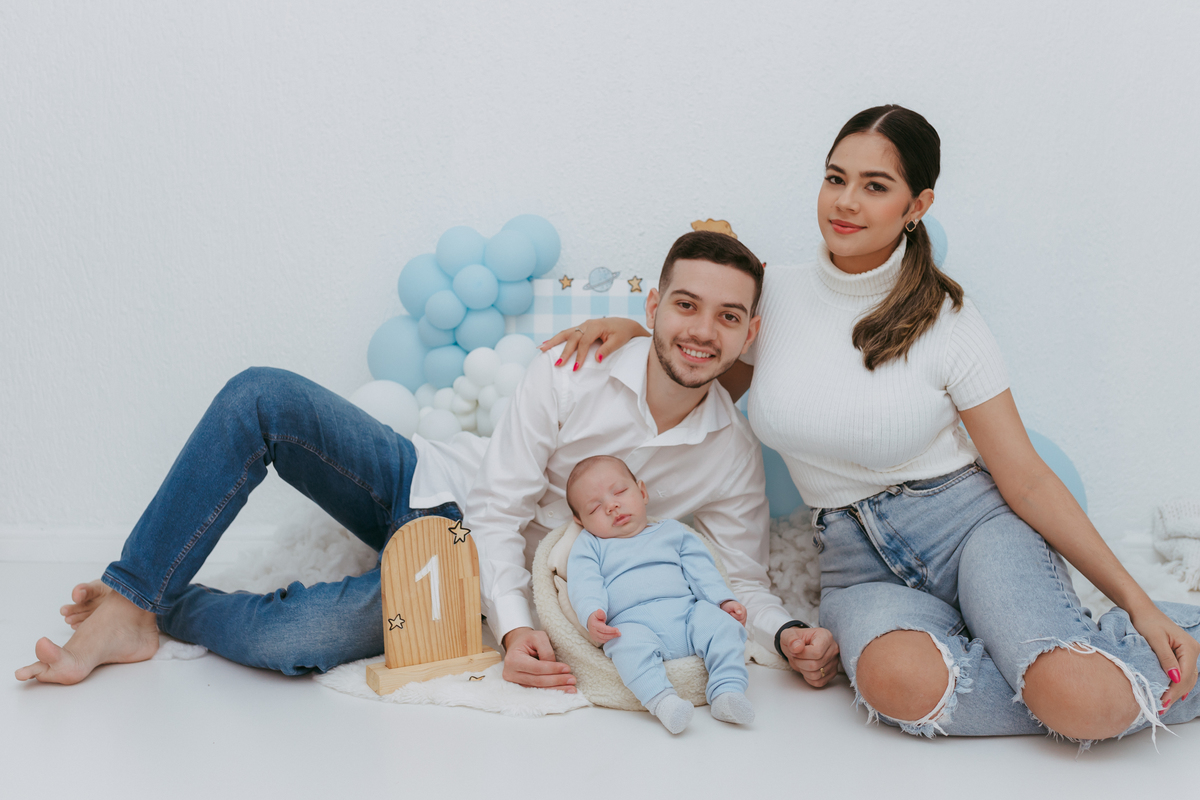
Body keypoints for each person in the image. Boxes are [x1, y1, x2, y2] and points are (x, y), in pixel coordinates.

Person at [543, 105, 1200, 743]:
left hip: (971, 528)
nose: (846, 202)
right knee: (896, 688)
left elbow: (1025, 478)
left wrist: (1139, 604)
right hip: (854, 561)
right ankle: (1057, 670)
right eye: (836, 178)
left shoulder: (949, 320)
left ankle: (1102, 668)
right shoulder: (773, 295)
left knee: (1081, 705)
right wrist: (638, 334)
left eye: (875, 186)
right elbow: (701, 366)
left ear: (917, 205)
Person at [16, 230, 840, 691]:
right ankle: (134, 592)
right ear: (653, 307)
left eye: (726, 318)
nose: (701, 331)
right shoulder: (573, 368)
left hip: (467, 568)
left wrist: (790, 634)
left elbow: (744, 579)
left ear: (749, 334)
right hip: (435, 481)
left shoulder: (731, 454)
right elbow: (500, 505)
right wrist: (517, 627)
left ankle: (167, 609)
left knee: (298, 637)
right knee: (261, 394)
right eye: (686, 305)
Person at [565, 455, 754, 733]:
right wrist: (592, 613)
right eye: (594, 507)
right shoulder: (590, 545)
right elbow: (584, 582)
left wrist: (723, 601)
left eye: (620, 492)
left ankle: (728, 691)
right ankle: (663, 702)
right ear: (580, 520)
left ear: (642, 492)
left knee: (723, 626)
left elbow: (702, 571)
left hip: (687, 615)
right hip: (633, 624)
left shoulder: (673, 532)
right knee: (623, 643)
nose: (611, 506)